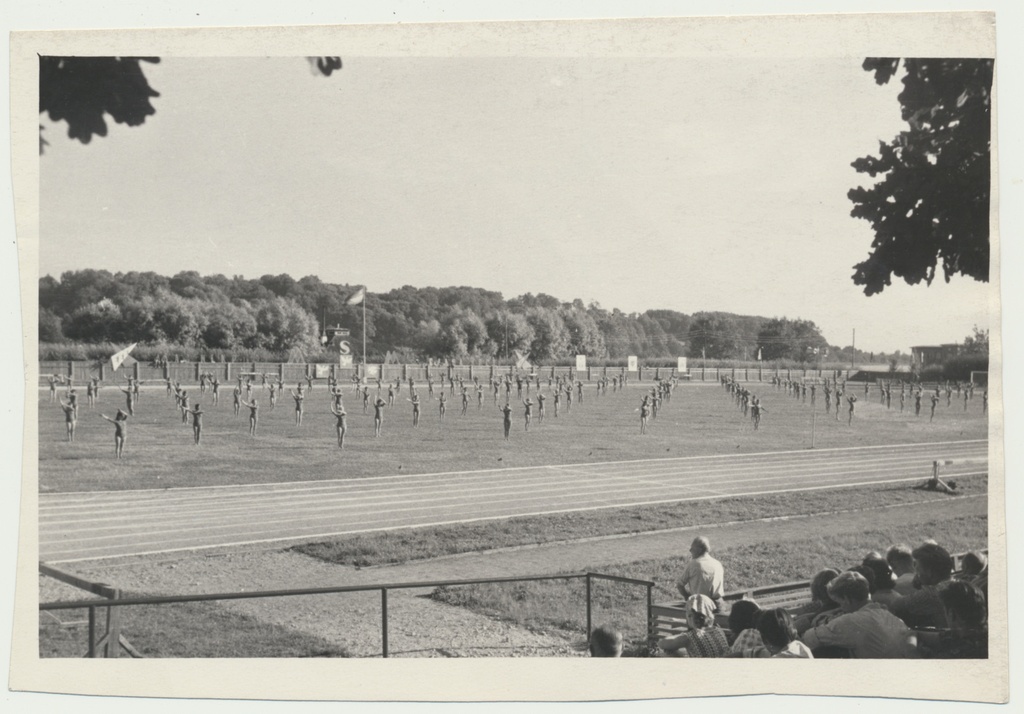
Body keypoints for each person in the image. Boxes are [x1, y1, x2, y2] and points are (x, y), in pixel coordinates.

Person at [801, 571, 918, 658]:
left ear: (847, 599)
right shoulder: (888, 615)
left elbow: (808, 638)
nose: (841, 608)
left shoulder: (850, 621)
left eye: (840, 603)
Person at [889, 542, 954, 629]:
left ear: (930, 572)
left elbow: (896, 605)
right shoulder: (957, 584)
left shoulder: (931, 594)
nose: (916, 572)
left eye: (918, 568)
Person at [918, 581, 988, 659]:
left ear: (951, 613)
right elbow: (917, 634)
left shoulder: (960, 653)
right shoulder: (963, 634)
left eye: (944, 611)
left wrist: (912, 653)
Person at [658, 594, 729, 657]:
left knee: (668, 653)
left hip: (704, 670)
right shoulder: (718, 630)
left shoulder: (690, 637)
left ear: (690, 616)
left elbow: (661, 643)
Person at [675, 536, 725, 612]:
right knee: (718, 623)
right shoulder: (717, 563)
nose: (690, 550)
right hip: (718, 605)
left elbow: (680, 585)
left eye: (692, 548)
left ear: (699, 550)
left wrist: (687, 596)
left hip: (701, 605)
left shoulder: (694, 564)